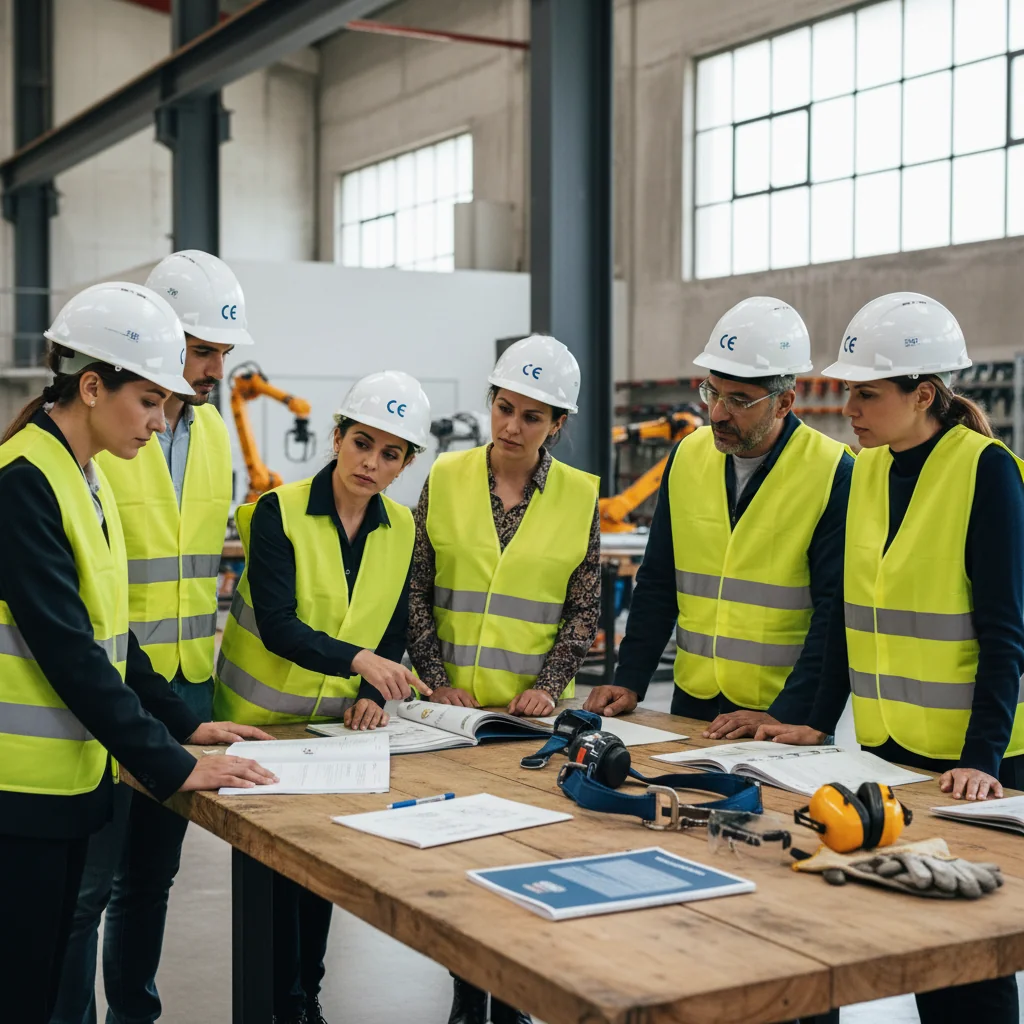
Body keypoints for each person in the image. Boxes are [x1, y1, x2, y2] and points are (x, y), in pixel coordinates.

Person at [0, 282, 275, 1024]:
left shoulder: (82, 477)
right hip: (17, 799)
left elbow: (112, 639)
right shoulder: (24, 482)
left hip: (65, 784)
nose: (160, 423)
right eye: (149, 401)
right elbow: (69, 654)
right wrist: (172, 763)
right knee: (22, 993)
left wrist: (183, 723)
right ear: (92, 386)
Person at [757, 292, 1024, 1024]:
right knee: (897, 936)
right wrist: (815, 721)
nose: (850, 408)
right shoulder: (865, 471)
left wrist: (983, 759)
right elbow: (846, 616)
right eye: (848, 391)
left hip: (975, 767)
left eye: (867, 393)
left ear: (925, 394)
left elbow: (1007, 629)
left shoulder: (986, 470)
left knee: (965, 962)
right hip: (888, 753)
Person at [215, 370, 433, 1024]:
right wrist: (360, 661)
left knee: (319, 875)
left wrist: (371, 688)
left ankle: (304, 1001)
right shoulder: (276, 514)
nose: (372, 462)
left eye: (391, 452)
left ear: (406, 464)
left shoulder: (400, 528)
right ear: (337, 436)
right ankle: (273, 1003)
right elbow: (279, 624)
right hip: (259, 727)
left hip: (336, 730)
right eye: (362, 442)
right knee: (271, 883)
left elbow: (391, 615)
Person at [407, 334, 601, 1024]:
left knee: (528, 857)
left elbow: (583, 608)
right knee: (460, 860)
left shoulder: (580, 497)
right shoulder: (447, 477)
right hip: (451, 719)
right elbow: (417, 588)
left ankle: (516, 999)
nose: (513, 427)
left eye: (532, 416)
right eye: (505, 407)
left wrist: (550, 685)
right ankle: (466, 998)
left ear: (558, 425)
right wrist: (434, 679)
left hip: (534, 725)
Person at [584, 297, 852, 737]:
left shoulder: (832, 472)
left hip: (779, 713)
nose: (718, 413)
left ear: (785, 402)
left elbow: (833, 615)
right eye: (713, 392)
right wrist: (630, 679)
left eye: (740, 400)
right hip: (693, 701)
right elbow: (657, 582)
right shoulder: (688, 455)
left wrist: (791, 711)